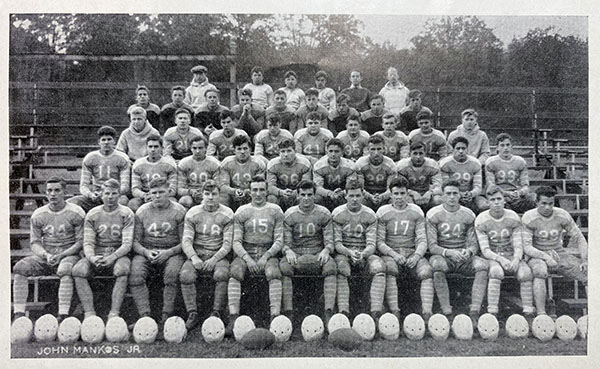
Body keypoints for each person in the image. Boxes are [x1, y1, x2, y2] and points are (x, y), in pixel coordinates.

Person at [12, 177, 85, 322]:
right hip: (47, 255)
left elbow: (80, 242)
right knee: (20, 267)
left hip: (69, 255)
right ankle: (18, 313)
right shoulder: (39, 214)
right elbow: (34, 243)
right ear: (46, 194)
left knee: (65, 269)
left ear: (64, 192)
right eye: (49, 191)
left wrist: (62, 254)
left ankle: (63, 314)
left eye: (57, 190)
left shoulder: (76, 212)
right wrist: (45, 254)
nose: (53, 194)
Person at [427, 180, 488, 327]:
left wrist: (469, 251)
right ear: (442, 195)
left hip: (462, 255)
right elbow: (432, 246)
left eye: (455, 193)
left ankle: (474, 311)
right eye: (448, 193)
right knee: (437, 266)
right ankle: (447, 311)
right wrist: (448, 252)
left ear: (460, 195)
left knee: (482, 266)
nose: (452, 197)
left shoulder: (468, 214)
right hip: (443, 254)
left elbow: (473, 243)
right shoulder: (433, 214)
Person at [72, 179, 134, 320]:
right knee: (78, 270)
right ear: (101, 195)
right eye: (107, 193)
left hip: (118, 254)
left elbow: (127, 244)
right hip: (97, 253)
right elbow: (88, 242)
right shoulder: (93, 214)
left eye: (114, 193)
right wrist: (92, 257)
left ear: (119, 195)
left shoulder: (126, 213)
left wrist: (112, 257)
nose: (110, 197)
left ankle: (114, 313)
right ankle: (89, 313)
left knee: (122, 270)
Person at [228, 175, 285, 328]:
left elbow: (279, 240)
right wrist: (248, 259)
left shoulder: (275, 210)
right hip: (247, 250)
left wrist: (265, 256)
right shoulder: (242, 211)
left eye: (261, 190)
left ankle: (276, 317)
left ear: (267, 191)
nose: (258, 194)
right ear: (250, 192)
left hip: (268, 251)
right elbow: (236, 241)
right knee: (235, 272)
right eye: (255, 190)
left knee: (274, 272)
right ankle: (233, 317)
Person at [129, 178, 187, 325]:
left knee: (171, 275)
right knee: (135, 275)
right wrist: (146, 252)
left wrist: (168, 253)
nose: (157, 196)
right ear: (149, 194)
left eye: (161, 192)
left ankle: (166, 314)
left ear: (169, 192)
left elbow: (185, 242)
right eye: (154, 193)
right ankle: (144, 316)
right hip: (148, 251)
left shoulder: (179, 211)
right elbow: (135, 242)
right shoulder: (142, 211)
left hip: (172, 251)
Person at [376, 176, 434, 322]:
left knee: (426, 271)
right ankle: (395, 311)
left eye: (402, 193)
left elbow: (422, 239)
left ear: (408, 194)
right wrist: (394, 255)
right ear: (390, 194)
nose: (399, 197)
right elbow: (380, 242)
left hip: (411, 251)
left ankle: (427, 314)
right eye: (396, 194)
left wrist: (416, 256)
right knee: (390, 269)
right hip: (391, 253)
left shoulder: (416, 211)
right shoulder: (383, 212)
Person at [523, 186, 587, 316]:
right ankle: (542, 314)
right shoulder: (529, 217)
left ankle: (594, 314)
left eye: (550, 203)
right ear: (537, 202)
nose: (547, 207)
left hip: (558, 253)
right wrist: (546, 257)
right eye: (544, 203)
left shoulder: (562, 215)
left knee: (588, 272)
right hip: (537, 255)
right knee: (539, 271)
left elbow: (579, 238)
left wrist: (585, 260)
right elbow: (527, 247)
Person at [179, 180, 234, 330]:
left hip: (218, 254)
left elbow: (227, 243)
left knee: (222, 274)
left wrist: (215, 258)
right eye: (207, 194)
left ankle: (216, 311)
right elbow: (187, 240)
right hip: (198, 253)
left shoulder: (227, 213)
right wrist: (194, 257)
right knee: (185, 275)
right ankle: (192, 312)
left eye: (214, 194)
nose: (210, 197)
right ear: (202, 195)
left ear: (219, 195)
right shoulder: (193, 212)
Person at [280, 180, 336, 323]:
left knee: (331, 266)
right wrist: (288, 250)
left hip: (317, 253)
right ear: (297, 196)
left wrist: (326, 250)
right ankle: (288, 312)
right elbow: (285, 242)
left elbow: (329, 240)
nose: (306, 198)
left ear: (315, 196)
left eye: (309, 194)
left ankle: (328, 311)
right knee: (284, 267)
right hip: (297, 253)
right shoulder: (290, 214)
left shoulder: (323, 213)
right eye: (303, 194)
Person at [475, 186, 535, 319]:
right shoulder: (482, 219)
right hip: (493, 256)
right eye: (492, 200)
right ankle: (492, 312)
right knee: (496, 272)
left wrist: (516, 259)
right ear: (488, 202)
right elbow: (485, 250)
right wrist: (500, 260)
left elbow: (518, 244)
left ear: (504, 201)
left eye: (499, 199)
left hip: (510, 254)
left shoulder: (512, 217)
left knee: (526, 273)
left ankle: (528, 312)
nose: (496, 202)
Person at [332, 179, 386, 321]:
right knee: (342, 267)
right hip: (344, 252)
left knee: (379, 267)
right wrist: (349, 252)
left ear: (363, 195)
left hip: (364, 252)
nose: (354, 199)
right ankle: (344, 311)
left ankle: (376, 312)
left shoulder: (369, 214)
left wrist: (363, 254)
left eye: (357, 196)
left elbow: (371, 244)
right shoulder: (338, 213)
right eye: (351, 196)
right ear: (345, 196)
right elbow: (337, 244)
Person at [69, 125, 130, 212]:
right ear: (99, 142)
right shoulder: (90, 158)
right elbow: (83, 186)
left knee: (123, 202)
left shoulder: (122, 158)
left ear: (114, 141)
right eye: (103, 140)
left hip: (115, 194)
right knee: (73, 202)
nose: (106, 142)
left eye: (109, 139)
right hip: (96, 195)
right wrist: (90, 194)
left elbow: (125, 186)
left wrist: (113, 193)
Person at [485, 133, 536, 213]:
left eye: (508, 145)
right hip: (499, 195)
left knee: (534, 198)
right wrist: (506, 193)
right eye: (502, 145)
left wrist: (519, 192)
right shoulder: (491, 162)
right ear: (497, 148)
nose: (505, 148)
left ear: (512, 146)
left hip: (516, 195)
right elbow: (491, 186)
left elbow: (525, 185)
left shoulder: (520, 161)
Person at [439, 137, 488, 213]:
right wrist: (459, 194)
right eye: (458, 148)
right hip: (452, 194)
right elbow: (445, 186)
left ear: (467, 149)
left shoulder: (475, 163)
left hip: (471, 195)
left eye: (463, 148)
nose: (461, 151)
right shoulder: (445, 163)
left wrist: (471, 194)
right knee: (439, 201)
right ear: (453, 150)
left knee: (483, 205)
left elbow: (478, 186)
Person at [129, 135, 178, 212]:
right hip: (145, 195)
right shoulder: (138, 164)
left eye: (156, 146)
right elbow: (135, 189)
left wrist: (159, 196)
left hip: (164, 195)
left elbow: (172, 189)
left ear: (162, 148)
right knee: (133, 203)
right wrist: (144, 195)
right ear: (146, 148)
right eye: (150, 146)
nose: (153, 149)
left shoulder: (169, 164)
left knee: (173, 202)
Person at [219, 135, 266, 211]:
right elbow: (223, 186)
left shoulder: (258, 163)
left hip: (251, 193)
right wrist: (234, 191)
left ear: (250, 149)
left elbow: (259, 183)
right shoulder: (227, 162)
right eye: (239, 149)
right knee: (223, 197)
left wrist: (249, 191)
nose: (242, 152)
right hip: (232, 194)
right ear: (234, 150)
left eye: (245, 148)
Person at [266, 139, 312, 211]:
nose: (286, 154)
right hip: (280, 194)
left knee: (306, 197)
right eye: (283, 151)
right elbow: (270, 186)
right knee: (271, 198)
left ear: (295, 151)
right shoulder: (273, 165)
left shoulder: (304, 164)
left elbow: (306, 185)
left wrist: (294, 193)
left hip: (298, 194)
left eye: (289, 151)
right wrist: (281, 192)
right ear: (279, 153)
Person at [396, 141, 443, 212]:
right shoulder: (402, 166)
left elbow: (438, 186)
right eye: (415, 153)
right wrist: (413, 193)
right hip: (410, 194)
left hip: (427, 193)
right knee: (406, 200)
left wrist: (430, 193)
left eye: (421, 153)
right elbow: (400, 186)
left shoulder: (432, 165)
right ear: (410, 154)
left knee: (438, 200)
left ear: (425, 154)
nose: (418, 157)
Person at [313, 138, 358, 211]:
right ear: (326, 151)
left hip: (343, 193)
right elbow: (318, 188)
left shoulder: (350, 166)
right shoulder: (319, 166)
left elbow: (351, 187)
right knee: (317, 198)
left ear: (342, 152)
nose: (333, 154)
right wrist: (329, 193)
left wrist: (341, 193)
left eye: (336, 151)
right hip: (326, 194)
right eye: (331, 151)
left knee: (352, 197)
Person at [354, 135, 396, 210]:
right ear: (368, 150)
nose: (376, 153)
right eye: (373, 149)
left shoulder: (390, 164)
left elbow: (391, 189)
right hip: (366, 195)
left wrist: (382, 197)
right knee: (359, 201)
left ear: (384, 149)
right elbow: (360, 188)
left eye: (379, 149)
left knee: (393, 200)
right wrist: (370, 196)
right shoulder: (361, 163)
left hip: (384, 195)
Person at [177, 136, 220, 209]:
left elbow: (218, 185)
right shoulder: (184, 163)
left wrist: (206, 193)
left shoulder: (214, 163)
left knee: (210, 202)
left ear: (206, 148)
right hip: (190, 194)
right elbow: (179, 188)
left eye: (200, 148)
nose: (197, 151)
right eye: (194, 148)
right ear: (190, 148)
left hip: (209, 193)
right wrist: (191, 192)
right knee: (185, 201)